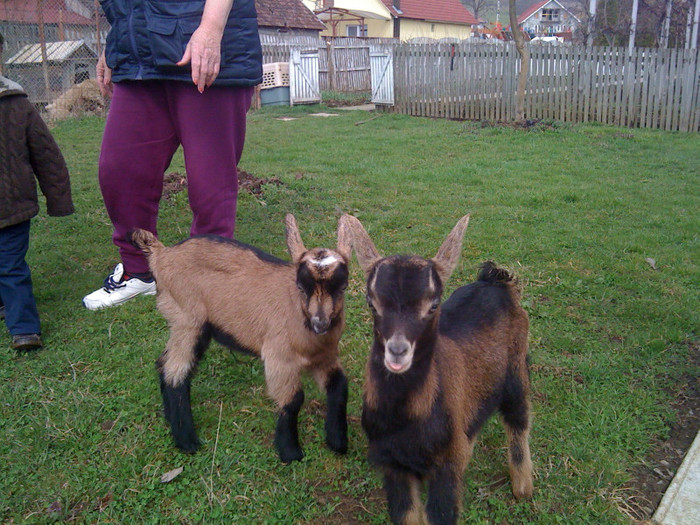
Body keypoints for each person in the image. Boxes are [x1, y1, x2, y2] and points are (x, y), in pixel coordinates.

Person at [82, 0, 262, 310]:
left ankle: (208, 276)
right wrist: (119, 42)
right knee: (120, 171)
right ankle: (138, 270)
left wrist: (210, 29)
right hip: (139, 60)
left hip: (201, 50)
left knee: (210, 183)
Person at [0, 75, 74, 351]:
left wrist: (59, 200)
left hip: (11, 205)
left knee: (10, 266)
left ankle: (25, 329)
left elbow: (46, 154)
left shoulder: (15, 104)